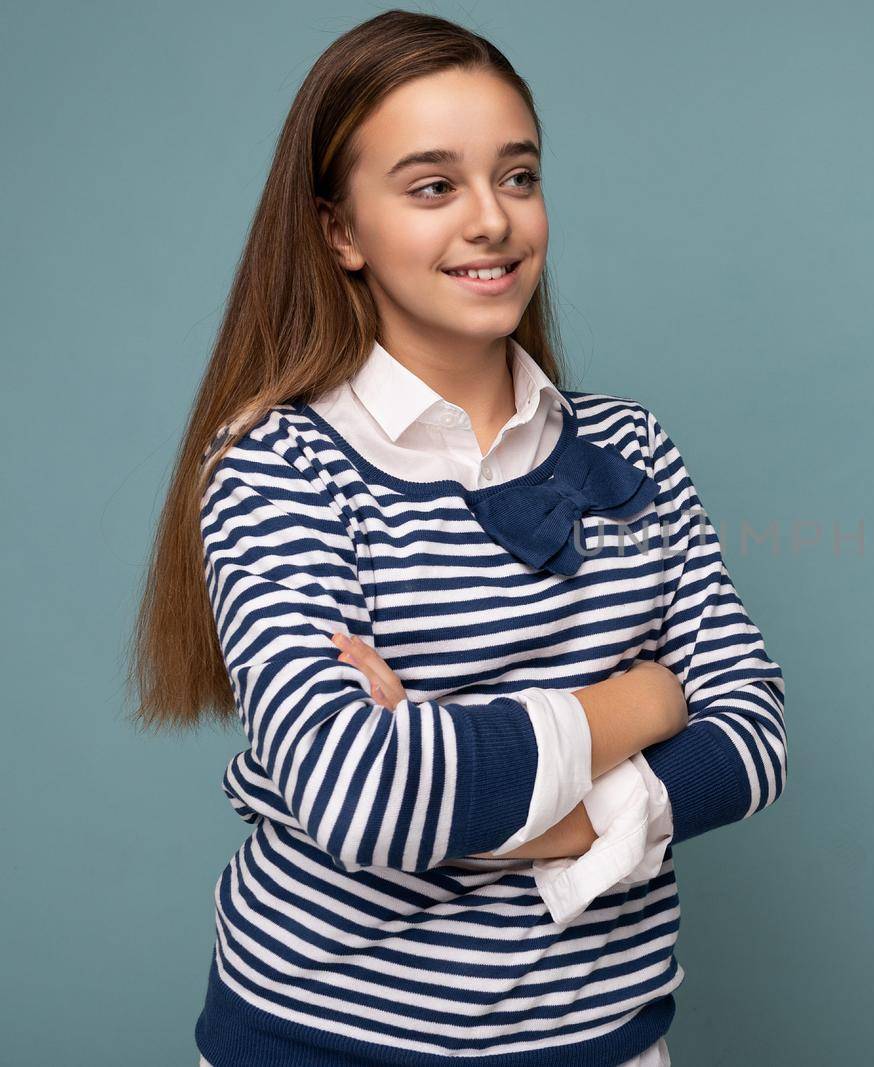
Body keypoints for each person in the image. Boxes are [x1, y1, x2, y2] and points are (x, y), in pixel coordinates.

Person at [127, 11, 788, 1065]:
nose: (492, 219)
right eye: (433, 186)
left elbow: (753, 732)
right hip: (324, 1040)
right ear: (339, 230)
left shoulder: (633, 444)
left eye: (516, 177)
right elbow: (365, 795)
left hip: (605, 1040)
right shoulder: (275, 463)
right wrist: (645, 701)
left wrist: (521, 808)